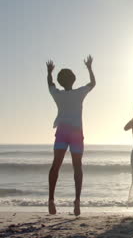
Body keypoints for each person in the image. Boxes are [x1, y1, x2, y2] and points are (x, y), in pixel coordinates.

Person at [46, 55, 96, 216]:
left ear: (61, 81)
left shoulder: (58, 94)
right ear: (73, 80)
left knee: (56, 165)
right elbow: (93, 83)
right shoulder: (79, 92)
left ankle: (51, 200)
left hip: (62, 132)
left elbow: (50, 84)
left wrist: (49, 72)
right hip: (76, 133)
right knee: (77, 167)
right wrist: (89, 67)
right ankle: (77, 201)